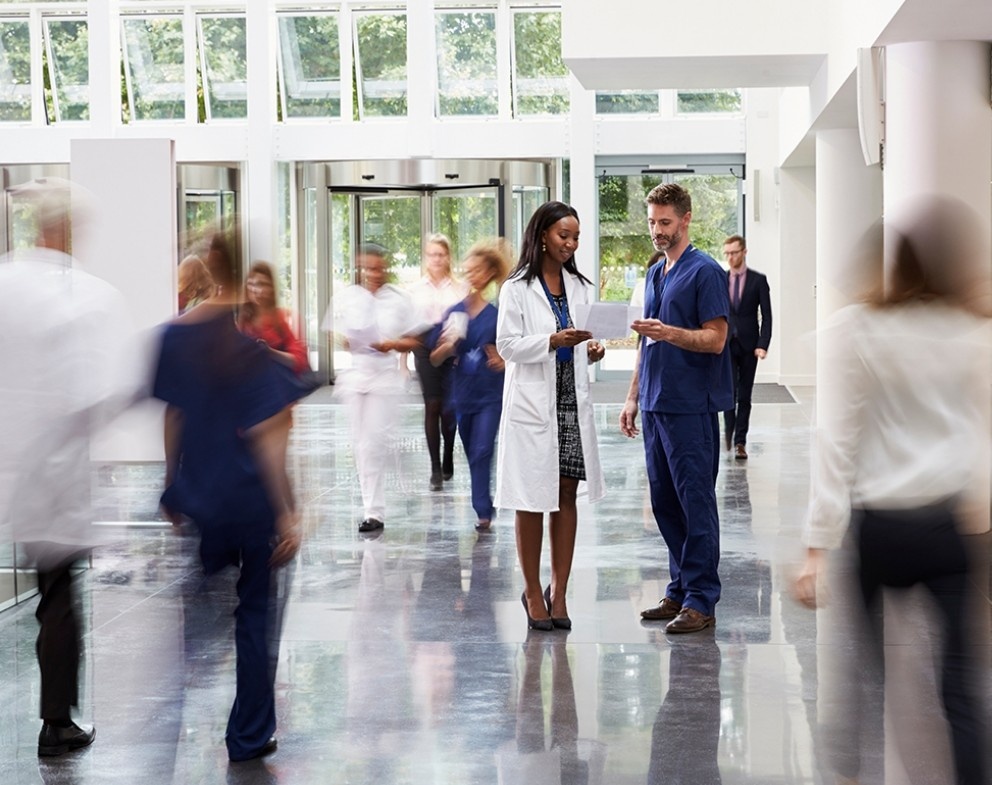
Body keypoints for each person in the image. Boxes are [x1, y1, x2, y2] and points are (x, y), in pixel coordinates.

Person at [793, 200, 990, 785]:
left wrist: (816, 547)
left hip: (880, 527)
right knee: (959, 690)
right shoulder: (972, 334)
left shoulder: (859, 329)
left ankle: (851, 776)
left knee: (861, 686)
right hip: (945, 526)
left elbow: (837, 440)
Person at [154, 233, 303, 763]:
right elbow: (269, 436)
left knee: (200, 610)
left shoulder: (172, 337)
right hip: (252, 502)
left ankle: (165, 715)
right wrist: (287, 512)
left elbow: (174, 415)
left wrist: (172, 483)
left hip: (203, 495)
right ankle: (248, 734)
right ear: (244, 277)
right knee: (255, 614)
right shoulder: (251, 353)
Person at [0, 180, 135, 757]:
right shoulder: (85, 295)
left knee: (47, 592)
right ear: (68, 230)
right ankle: (57, 722)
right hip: (54, 477)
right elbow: (102, 393)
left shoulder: (4, 281)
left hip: (14, 468)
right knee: (58, 600)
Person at [620, 182, 733, 634]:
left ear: (686, 219)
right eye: (651, 222)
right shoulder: (654, 273)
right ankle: (681, 589)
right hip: (655, 402)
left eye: (665, 222)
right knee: (665, 502)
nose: (657, 231)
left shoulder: (705, 272)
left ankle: (702, 598)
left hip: (691, 406)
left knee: (695, 503)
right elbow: (646, 341)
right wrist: (632, 396)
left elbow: (717, 338)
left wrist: (672, 333)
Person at [495, 201, 605, 631]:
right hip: (533, 405)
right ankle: (530, 590)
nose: (571, 244)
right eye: (564, 236)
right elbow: (507, 346)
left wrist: (588, 350)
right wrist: (552, 341)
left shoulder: (579, 286)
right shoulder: (516, 288)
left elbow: (579, 344)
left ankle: (559, 592)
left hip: (569, 404)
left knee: (565, 494)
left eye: (576, 237)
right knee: (530, 498)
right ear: (542, 235)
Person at [324, 244, 421, 533]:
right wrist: (345, 340)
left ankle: (384, 493)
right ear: (360, 269)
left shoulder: (400, 299)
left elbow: (414, 340)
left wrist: (390, 344)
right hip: (356, 375)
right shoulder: (347, 298)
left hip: (384, 377)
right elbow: (333, 332)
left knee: (375, 439)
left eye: (378, 268)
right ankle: (372, 511)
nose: (374, 274)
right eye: (368, 268)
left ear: (386, 267)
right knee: (362, 443)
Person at [429, 240, 511, 531]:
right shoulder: (455, 313)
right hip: (463, 395)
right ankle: (483, 503)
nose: (472, 275)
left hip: (491, 393)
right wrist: (448, 347)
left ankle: (483, 509)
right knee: (472, 450)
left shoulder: (498, 314)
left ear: (489, 274)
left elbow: (512, 353)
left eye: (478, 270)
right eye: (469, 270)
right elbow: (435, 357)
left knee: (482, 449)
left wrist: (504, 361)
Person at [409, 234, 468, 490]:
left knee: (448, 409)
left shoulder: (459, 288)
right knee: (432, 405)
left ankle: (447, 456)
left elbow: (465, 320)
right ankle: (434, 466)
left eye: (440, 254)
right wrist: (402, 361)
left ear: (448, 258)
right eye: (431, 254)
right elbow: (408, 328)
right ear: (426, 257)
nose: (436, 259)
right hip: (423, 349)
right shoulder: (415, 290)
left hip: (451, 348)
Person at [722, 234, 771, 460]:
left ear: (744, 252)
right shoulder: (720, 280)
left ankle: (741, 441)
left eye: (734, 252)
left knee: (745, 396)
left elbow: (767, 316)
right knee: (728, 393)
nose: (731, 257)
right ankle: (729, 436)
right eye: (728, 253)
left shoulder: (758, 280)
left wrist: (763, 344)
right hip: (725, 344)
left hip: (750, 346)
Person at [239, 260, 310, 374]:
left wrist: (270, 352)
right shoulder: (243, 320)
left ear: (271, 288)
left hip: (276, 384)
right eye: (251, 284)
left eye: (262, 284)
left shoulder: (281, 318)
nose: (256, 290)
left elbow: (298, 361)